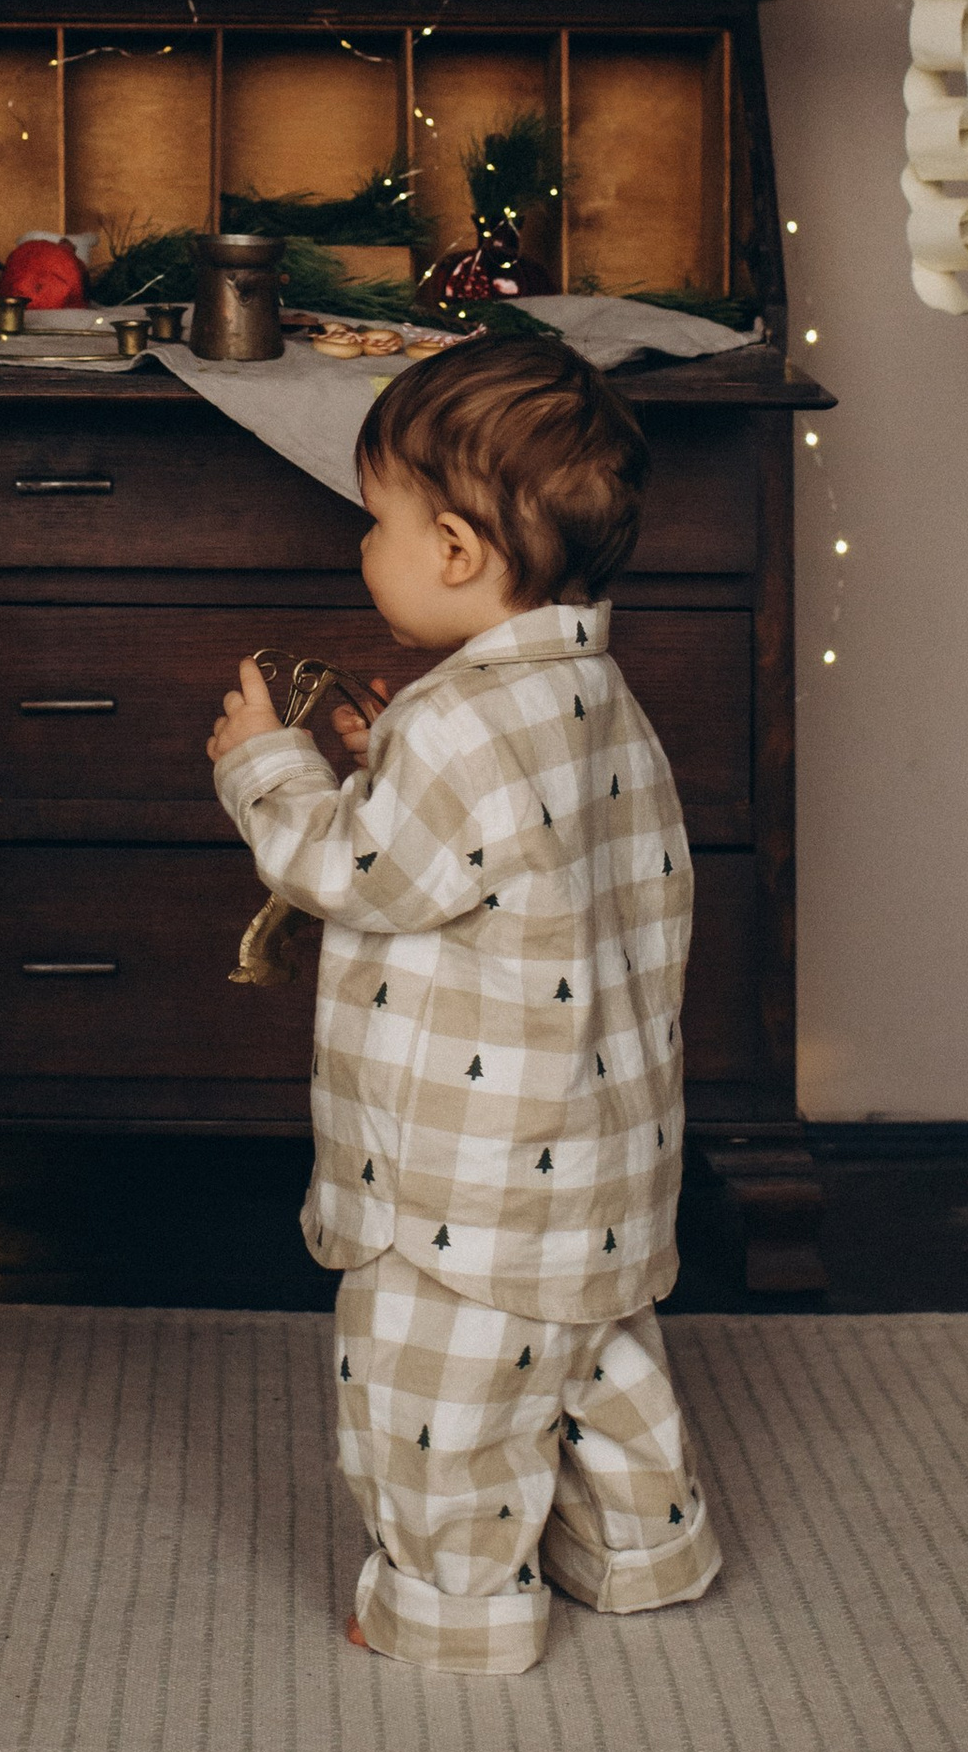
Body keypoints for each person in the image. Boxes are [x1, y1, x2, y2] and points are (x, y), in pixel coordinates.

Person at [207, 337, 719, 1672]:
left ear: (450, 549)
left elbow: (348, 871)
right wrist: (388, 757)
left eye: (372, 524)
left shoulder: (457, 726)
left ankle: (453, 1607)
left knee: (435, 1400)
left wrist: (270, 764)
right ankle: (644, 1553)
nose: (360, 551)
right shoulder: (596, 697)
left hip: (466, 1180)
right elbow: (529, 854)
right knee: (594, 1360)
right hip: (600, 1155)